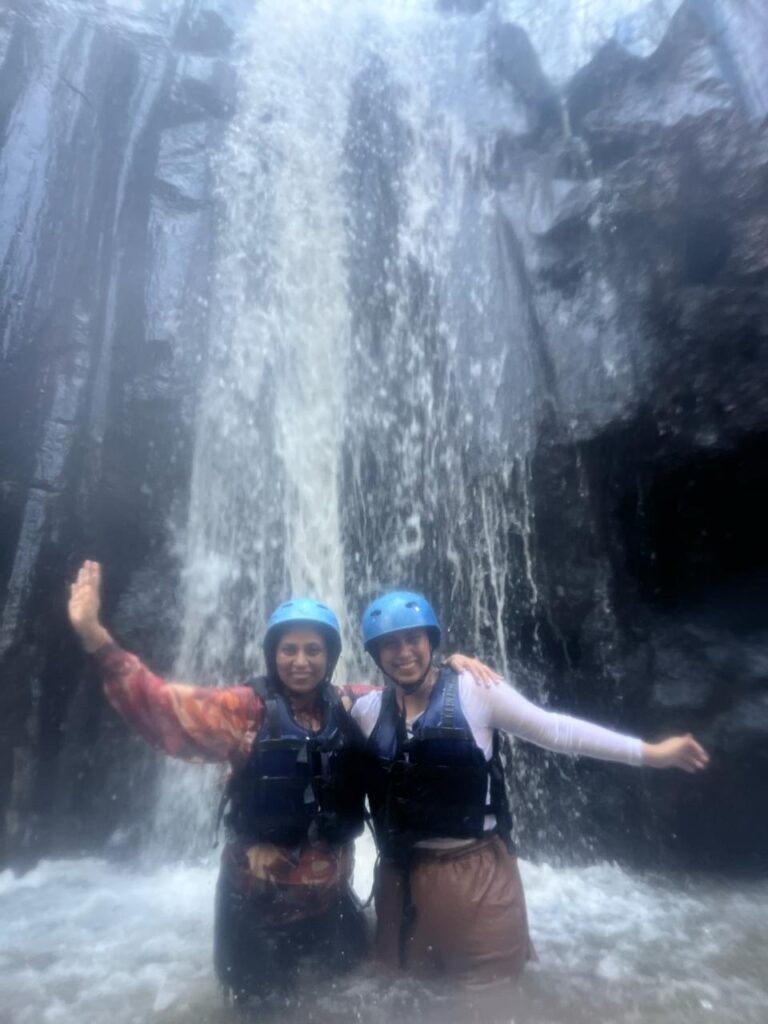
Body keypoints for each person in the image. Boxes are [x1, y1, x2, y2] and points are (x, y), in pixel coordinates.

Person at [66, 561, 497, 1003]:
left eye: (313, 650)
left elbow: (411, 688)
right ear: (273, 653)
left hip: (330, 906)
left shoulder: (353, 706)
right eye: (289, 649)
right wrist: (95, 639)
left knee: (351, 1002)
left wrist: (446, 669)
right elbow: (163, 708)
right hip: (253, 916)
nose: (301, 661)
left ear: (329, 656)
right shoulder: (244, 711)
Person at [350, 590, 709, 987]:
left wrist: (651, 754)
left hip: (474, 874)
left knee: (490, 1001)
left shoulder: (473, 690)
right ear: (375, 654)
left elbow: (556, 730)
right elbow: (308, 702)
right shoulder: (365, 712)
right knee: (401, 999)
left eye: (412, 640)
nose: (403, 653)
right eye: (389, 644)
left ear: (431, 642)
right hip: (398, 883)